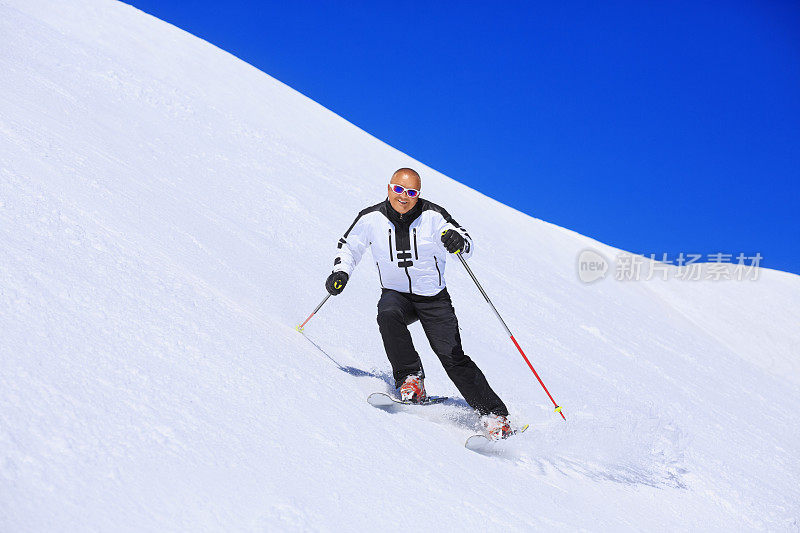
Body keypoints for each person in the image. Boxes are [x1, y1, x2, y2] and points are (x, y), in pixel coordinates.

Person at [325, 168, 512, 439]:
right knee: (387, 313)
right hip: (397, 292)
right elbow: (349, 247)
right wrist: (340, 272)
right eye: (399, 190)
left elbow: (467, 243)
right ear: (389, 187)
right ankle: (410, 378)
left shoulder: (434, 216)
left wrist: (458, 242)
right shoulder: (371, 218)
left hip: (433, 299)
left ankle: (495, 415)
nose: (404, 197)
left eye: (412, 192)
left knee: (451, 356)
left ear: (418, 195)